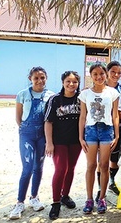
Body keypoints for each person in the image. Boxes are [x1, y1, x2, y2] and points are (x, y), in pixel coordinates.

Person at [10, 66, 55, 220]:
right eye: (36, 78)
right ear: (30, 79)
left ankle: (34, 197)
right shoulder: (22, 95)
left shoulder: (50, 96)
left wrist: (48, 139)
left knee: (38, 167)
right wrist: (25, 130)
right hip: (27, 134)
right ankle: (20, 202)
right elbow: (18, 117)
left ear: (46, 78)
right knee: (27, 168)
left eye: (42, 77)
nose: (39, 80)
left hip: (42, 135)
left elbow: (51, 118)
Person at [78, 63, 120, 214]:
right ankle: (89, 199)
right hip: (90, 131)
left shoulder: (113, 93)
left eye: (101, 73)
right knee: (90, 166)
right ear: (91, 76)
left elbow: (115, 115)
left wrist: (117, 134)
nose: (99, 77)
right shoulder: (85, 94)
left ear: (106, 74)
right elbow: (83, 116)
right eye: (95, 74)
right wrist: (81, 137)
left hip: (106, 130)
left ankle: (102, 198)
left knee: (103, 165)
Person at [44, 71, 82, 220]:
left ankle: (65, 195)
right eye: (68, 81)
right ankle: (55, 202)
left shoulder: (81, 99)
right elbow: (48, 122)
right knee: (61, 169)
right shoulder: (54, 100)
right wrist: (49, 142)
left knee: (71, 168)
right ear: (62, 82)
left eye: (74, 82)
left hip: (75, 141)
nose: (71, 84)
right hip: (59, 141)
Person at [104, 61, 121, 197]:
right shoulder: (99, 88)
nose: (116, 75)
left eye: (119, 73)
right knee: (102, 161)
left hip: (118, 129)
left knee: (115, 158)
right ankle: (101, 189)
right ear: (107, 72)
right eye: (113, 72)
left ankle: (113, 183)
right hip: (101, 129)